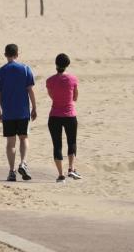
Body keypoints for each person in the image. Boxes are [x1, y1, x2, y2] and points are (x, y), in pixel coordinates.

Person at [0, 43, 37, 182]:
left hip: (8, 112)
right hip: (23, 111)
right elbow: (30, 90)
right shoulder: (25, 69)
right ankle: (23, 163)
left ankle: (12, 171)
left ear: (5, 55)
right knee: (24, 138)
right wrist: (34, 108)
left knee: (10, 142)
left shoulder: (0, 72)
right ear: (17, 54)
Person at [46, 53, 81, 183]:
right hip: (70, 114)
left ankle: (60, 175)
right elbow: (75, 97)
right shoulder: (72, 79)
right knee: (71, 142)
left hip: (54, 115)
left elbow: (52, 96)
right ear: (67, 65)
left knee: (57, 144)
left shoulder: (50, 80)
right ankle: (71, 169)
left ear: (56, 64)